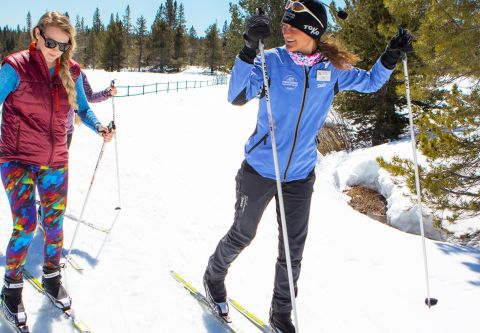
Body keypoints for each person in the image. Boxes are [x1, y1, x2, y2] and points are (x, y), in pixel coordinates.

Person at [203, 1, 413, 332]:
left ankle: (281, 314)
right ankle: (214, 276)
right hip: (259, 169)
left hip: (299, 176)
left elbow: (371, 82)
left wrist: (389, 56)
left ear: (313, 31)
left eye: (293, 26)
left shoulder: (331, 70)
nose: (285, 30)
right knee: (243, 234)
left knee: (291, 251)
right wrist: (247, 50)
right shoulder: (272, 61)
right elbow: (237, 94)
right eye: (284, 25)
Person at [0, 11, 114, 329]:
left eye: (63, 45)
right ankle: (11, 289)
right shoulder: (15, 66)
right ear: (37, 34)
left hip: (55, 161)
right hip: (17, 159)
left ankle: (51, 277)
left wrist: (99, 127)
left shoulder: (72, 70)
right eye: (50, 42)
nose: (55, 49)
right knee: (26, 224)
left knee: (54, 224)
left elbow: (83, 107)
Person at [67, 72, 117, 148]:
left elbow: (89, 97)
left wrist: (106, 93)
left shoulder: (75, 70)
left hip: (65, 133)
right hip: (42, 135)